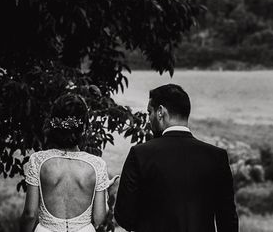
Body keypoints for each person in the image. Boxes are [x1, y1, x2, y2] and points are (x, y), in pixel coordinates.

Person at [114, 84, 239, 232]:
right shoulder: (217, 157)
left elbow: (124, 216)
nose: (149, 119)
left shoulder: (140, 154)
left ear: (160, 112)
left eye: (149, 112)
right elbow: (228, 219)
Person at [19, 93, 119, 232]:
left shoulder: (38, 161)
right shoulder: (97, 165)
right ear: (84, 128)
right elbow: (99, 218)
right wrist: (105, 190)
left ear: (53, 125)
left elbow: (30, 215)